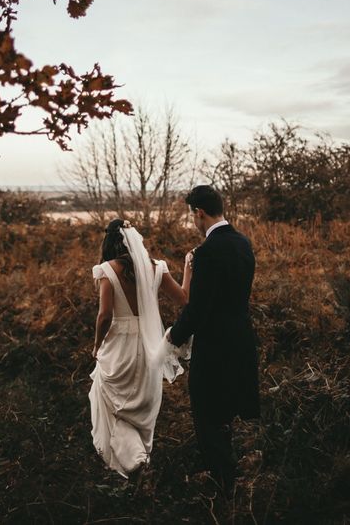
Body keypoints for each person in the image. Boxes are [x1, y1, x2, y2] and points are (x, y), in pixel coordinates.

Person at [168, 185, 260, 493]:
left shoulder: (206, 253)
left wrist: (173, 336)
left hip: (214, 345)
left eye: (192, 216)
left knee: (206, 410)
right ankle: (226, 470)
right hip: (241, 339)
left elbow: (199, 308)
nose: (193, 222)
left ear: (199, 213)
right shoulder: (243, 243)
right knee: (225, 407)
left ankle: (222, 481)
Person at [89, 218, 191, 477]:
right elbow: (184, 299)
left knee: (114, 404)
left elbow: (104, 315)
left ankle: (132, 465)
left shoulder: (107, 270)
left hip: (118, 347)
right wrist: (189, 268)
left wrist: (97, 344)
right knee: (141, 404)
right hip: (149, 346)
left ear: (110, 242)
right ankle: (139, 460)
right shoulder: (157, 268)